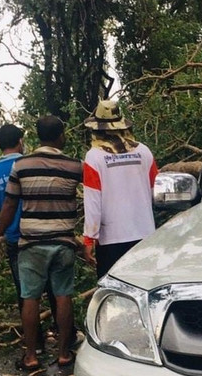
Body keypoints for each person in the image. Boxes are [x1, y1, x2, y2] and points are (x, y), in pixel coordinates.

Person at [0, 115, 83, 370]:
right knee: (63, 296)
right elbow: (96, 192)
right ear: (60, 135)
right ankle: (65, 354)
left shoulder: (21, 166)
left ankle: (31, 357)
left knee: (30, 298)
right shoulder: (75, 165)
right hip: (63, 241)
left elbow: (10, 204)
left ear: (37, 137)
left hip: (31, 243)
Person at [0, 124, 67, 353]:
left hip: (15, 241)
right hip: (45, 232)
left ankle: (35, 345)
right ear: (21, 141)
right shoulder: (32, 164)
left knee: (27, 294)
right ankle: (64, 340)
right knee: (56, 289)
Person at [82, 100, 159, 279]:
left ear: (97, 128)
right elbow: (156, 189)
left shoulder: (94, 157)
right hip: (145, 235)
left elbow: (93, 201)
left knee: (114, 294)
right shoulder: (144, 151)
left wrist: (89, 238)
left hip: (111, 240)